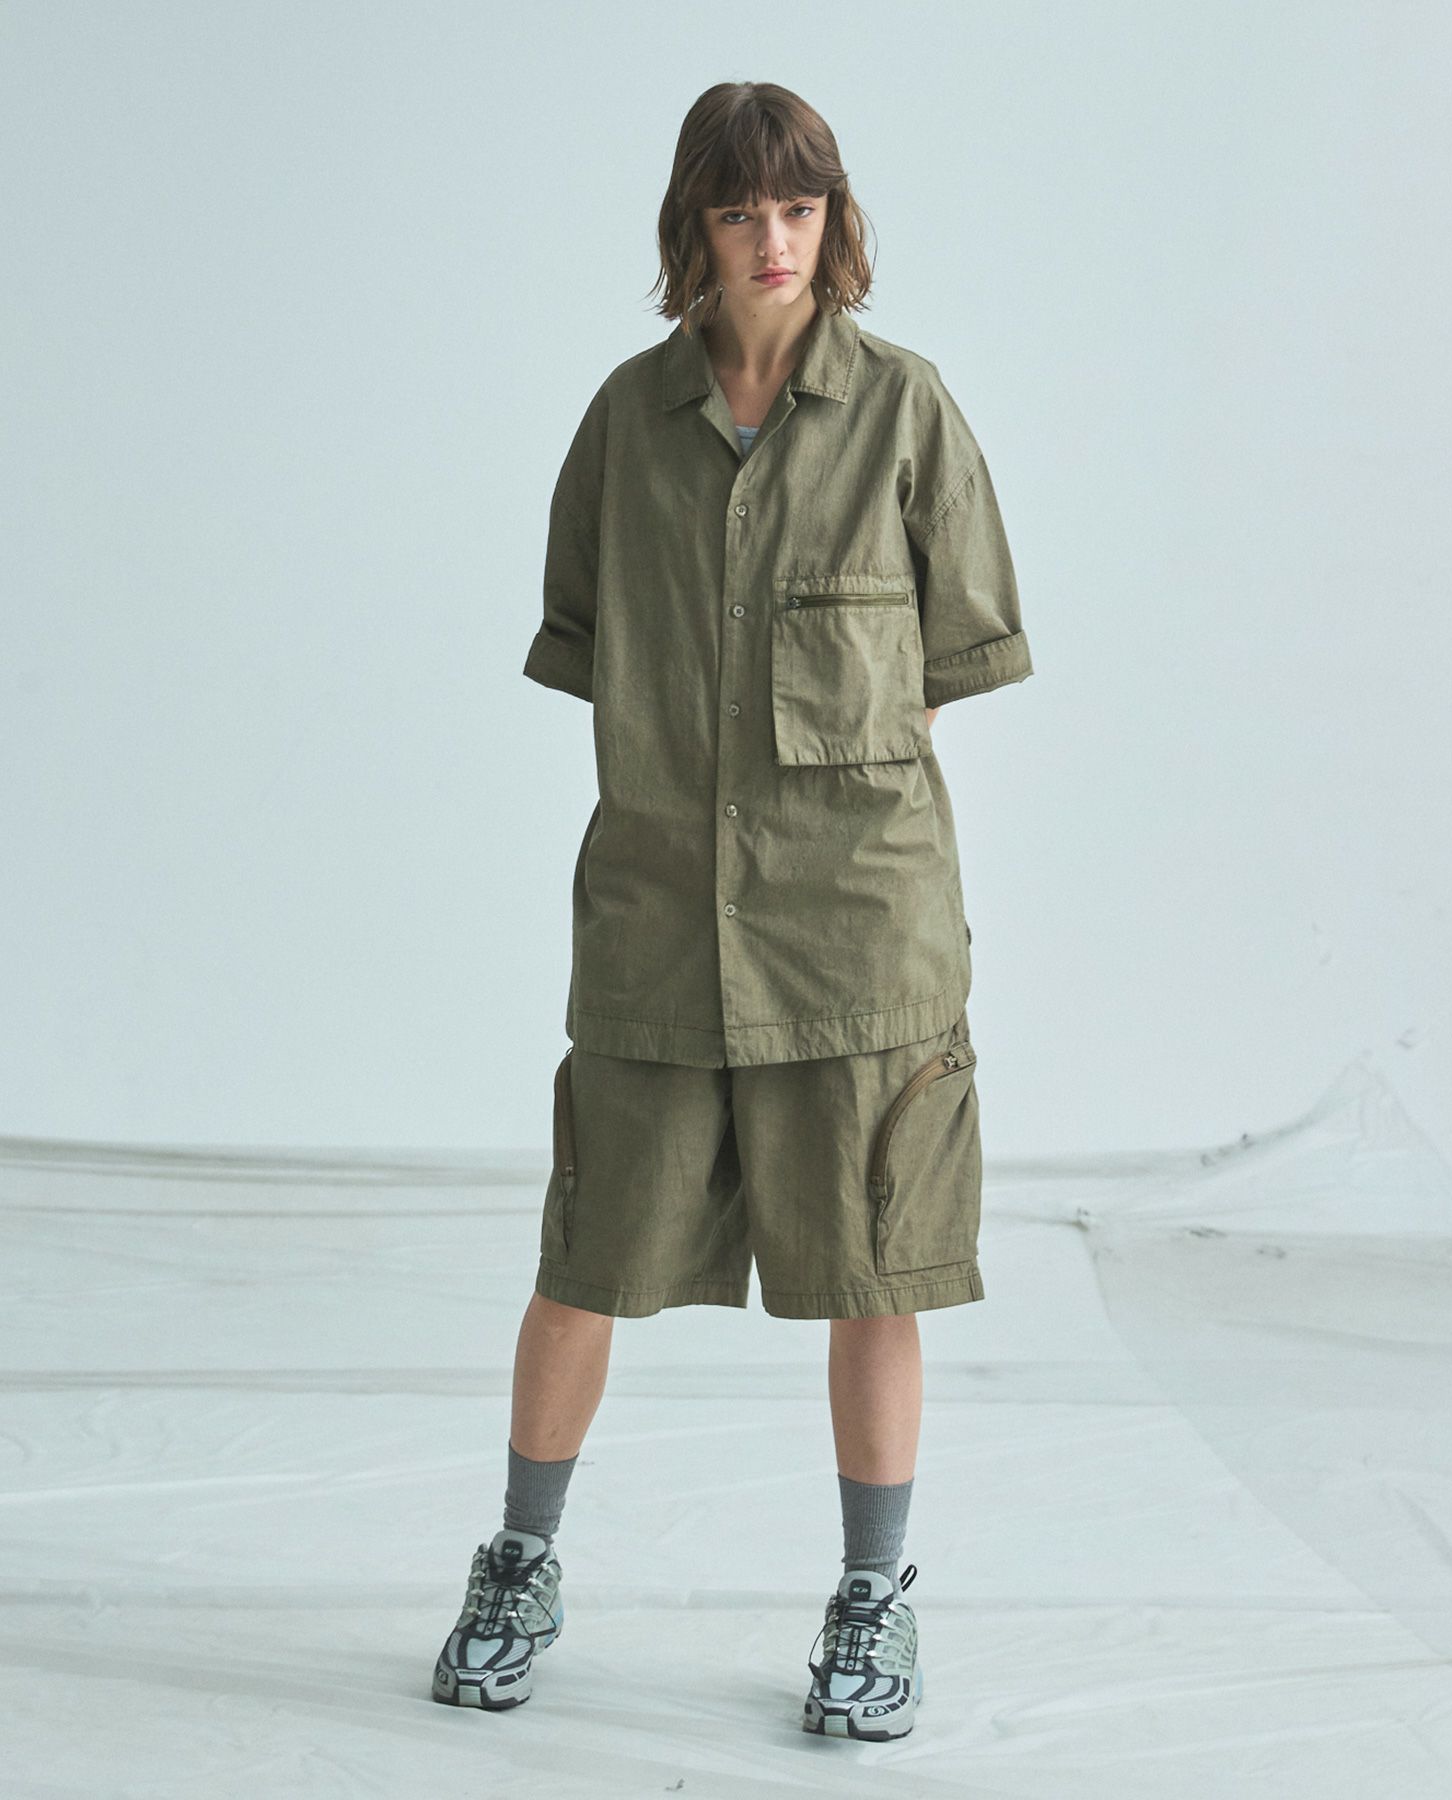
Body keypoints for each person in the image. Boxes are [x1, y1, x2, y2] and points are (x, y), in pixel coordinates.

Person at [432, 79, 1033, 1740]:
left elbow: (946, 665)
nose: (776, 240)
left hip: (860, 938)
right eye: (740, 211)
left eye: (801, 208)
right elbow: (594, 649)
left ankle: (874, 1594)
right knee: (585, 1261)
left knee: (876, 1276)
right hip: (658, 927)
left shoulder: (908, 413)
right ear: (692, 228)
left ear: (836, 221)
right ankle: (520, 1559)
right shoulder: (625, 426)